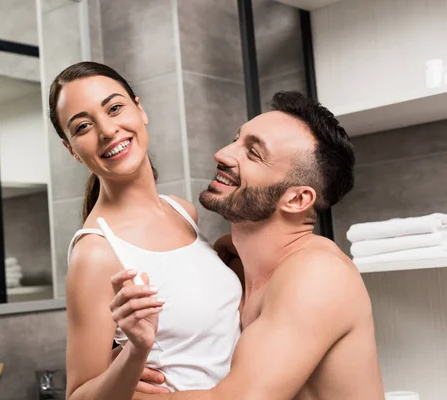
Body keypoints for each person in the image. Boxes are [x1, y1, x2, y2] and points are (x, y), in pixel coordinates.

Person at [118, 91, 385, 399]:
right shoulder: (231, 263)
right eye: (237, 139)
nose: (223, 153)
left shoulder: (319, 275)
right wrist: (121, 367)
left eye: (254, 153)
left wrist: (119, 395)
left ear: (297, 199)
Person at [50, 61, 244, 400]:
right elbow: (78, 395)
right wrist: (135, 352)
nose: (107, 130)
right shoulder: (96, 253)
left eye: (114, 108)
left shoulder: (183, 212)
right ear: (72, 151)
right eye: (83, 127)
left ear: (140, 110)